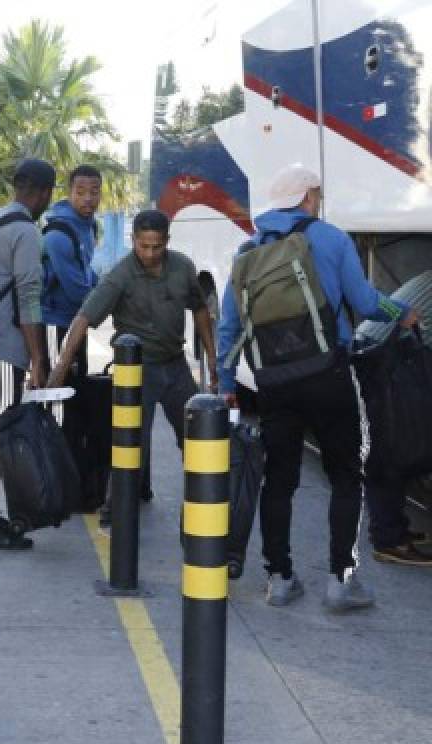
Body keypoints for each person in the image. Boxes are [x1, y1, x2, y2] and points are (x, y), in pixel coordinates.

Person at [217, 164, 417, 610]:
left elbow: (229, 327)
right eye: (316, 193)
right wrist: (401, 311)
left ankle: (280, 579)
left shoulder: (247, 252)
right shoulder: (329, 238)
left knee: (279, 481)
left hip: (274, 384)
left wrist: (226, 383)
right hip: (327, 375)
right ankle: (340, 582)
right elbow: (366, 302)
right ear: (307, 196)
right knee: (346, 476)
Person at [47, 210, 217, 526]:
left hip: (176, 366)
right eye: (143, 246)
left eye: (156, 246)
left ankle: (204, 505)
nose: (150, 253)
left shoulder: (182, 267)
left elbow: (200, 310)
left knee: (197, 437)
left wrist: (212, 359)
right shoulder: (120, 275)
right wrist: (60, 367)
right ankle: (114, 510)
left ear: (167, 241)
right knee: (131, 444)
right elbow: (83, 319)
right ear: (133, 240)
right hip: (138, 370)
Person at [0, 158, 54, 550]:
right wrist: (37, 359)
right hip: (3, 349)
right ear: (44, 193)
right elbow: (28, 301)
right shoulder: (26, 232)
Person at [40, 165, 101, 378]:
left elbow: (85, 269)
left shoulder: (89, 226)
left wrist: (103, 285)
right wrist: (107, 302)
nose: (88, 198)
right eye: (81, 192)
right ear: (70, 192)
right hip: (54, 324)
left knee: (78, 389)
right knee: (57, 395)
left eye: (94, 192)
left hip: (77, 322)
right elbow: (77, 291)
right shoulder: (58, 235)